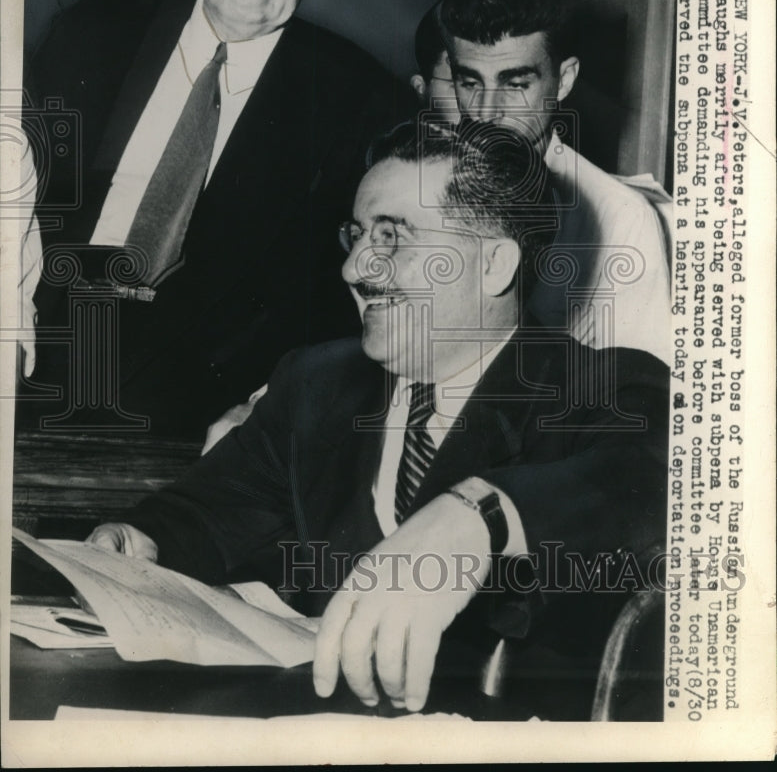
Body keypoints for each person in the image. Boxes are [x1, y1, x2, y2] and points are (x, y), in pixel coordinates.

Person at [88, 119, 669, 719]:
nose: (355, 269)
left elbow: (656, 476)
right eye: (358, 235)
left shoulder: (599, 387)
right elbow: (207, 513)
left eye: (392, 238)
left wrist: (480, 515)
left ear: (495, 265)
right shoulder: (316, 383)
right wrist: (141, 539)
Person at [21, 0, 414, 438]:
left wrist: (271, 406)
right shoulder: (93, 30)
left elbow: (357, 290)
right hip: (28, 368)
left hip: (211, 418)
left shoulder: (362, 99)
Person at [412, 0, 672, 363]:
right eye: (469, 83)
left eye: (515, 85)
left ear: (563, 81)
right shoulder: (417, 186)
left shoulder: (622, 221)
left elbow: (641, 393)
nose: (486, 112)